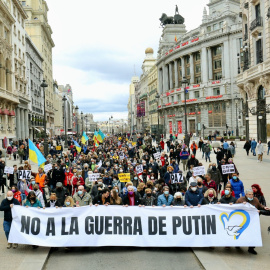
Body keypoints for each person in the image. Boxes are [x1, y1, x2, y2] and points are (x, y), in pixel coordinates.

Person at [236, 189, 270, 255]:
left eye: (252, 194)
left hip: (253, 221)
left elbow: (260, 206)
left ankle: (251, 248)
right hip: (242, 221)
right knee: (241, 233)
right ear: (246, 195)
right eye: (249, 194)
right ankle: (238, 245)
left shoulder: (256, 200)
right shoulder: (240, 200)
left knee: (253, 234)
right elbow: (235, 207)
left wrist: (264, 207)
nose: (251, 196)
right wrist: (241, 205)